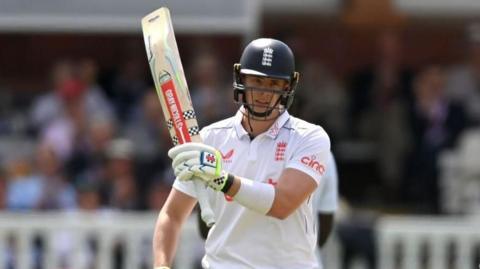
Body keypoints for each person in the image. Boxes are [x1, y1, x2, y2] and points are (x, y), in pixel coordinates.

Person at [153, 38, 331, 269]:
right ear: (241, 79)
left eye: (273, 84)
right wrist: (161, 265)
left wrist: (222, 180)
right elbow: (172, 215)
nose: (263, 92)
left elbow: (282, 204)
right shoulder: (210, 138)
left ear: (287, 87)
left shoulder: (310, 137)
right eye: (257, 80)